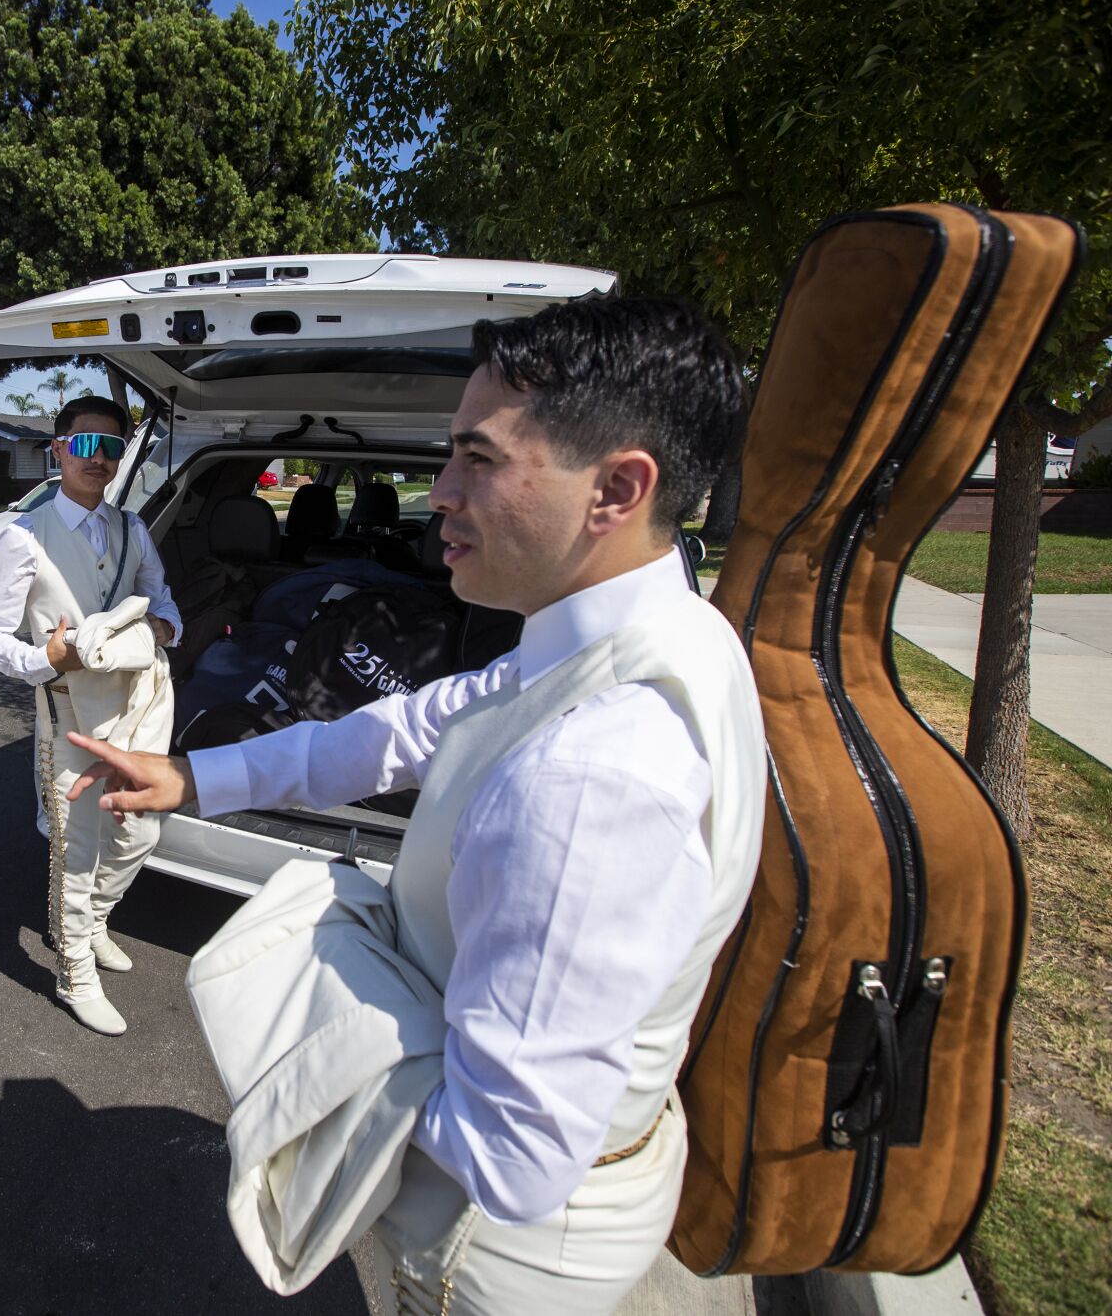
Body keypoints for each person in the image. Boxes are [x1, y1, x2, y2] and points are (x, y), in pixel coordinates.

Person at [65, 298, 765, 1314]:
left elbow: (511, 1155)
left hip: (492, 1253)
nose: (433, 495)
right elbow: (401, 729)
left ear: (615, 487)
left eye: (476, 461)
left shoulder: (590, 778)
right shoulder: (662, 630)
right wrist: (196, 776)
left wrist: (327, 1017)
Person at [0, 396, 180, 1035]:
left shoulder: (132, 530)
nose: (100, 459)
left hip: (138, 705)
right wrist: (48, 657)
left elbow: (165, 603)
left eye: (113, 447)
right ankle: (73, 972)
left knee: (142, 832)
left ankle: (96, 923)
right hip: (69, 712)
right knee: (77, 844)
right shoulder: (23, 537)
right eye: (85, 445)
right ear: (57, 450)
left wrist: (163, 630)